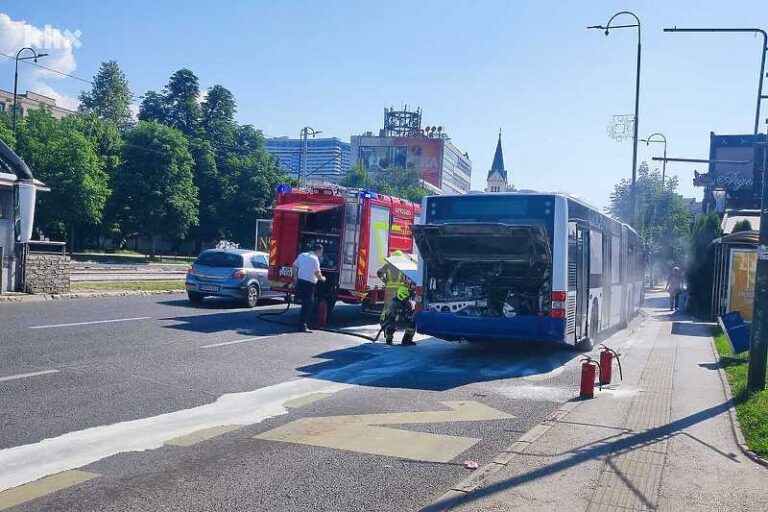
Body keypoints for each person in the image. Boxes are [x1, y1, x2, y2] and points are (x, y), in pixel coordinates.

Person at [292, 244, 326, 332]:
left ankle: (301, 323)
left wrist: (295, 278)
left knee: (304, 304)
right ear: (318, 251)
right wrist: (323, 279)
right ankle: (302, 326)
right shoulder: (315, 259)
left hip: (300, 282)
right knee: (308, 304)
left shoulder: (302, 255)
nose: (321, 255)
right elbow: (317, 274)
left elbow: (294, 266)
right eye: (321, 252)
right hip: (309, 285)